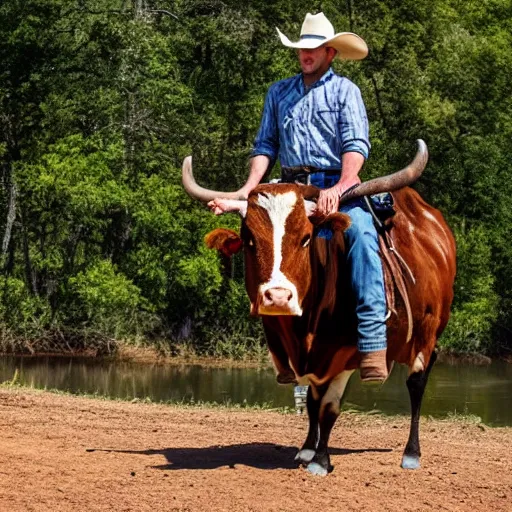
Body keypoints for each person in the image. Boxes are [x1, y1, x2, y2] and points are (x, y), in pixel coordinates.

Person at [209, 12, 388, 383]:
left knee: (362, 238)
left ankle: (373, 342)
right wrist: (246, 193)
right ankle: (282, 353)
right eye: (301, 48)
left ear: (330, 53)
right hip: (286, 191)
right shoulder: (278, 92)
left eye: (314, 48)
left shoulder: (345, 92)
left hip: (337, 186)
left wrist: (339, 188)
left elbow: (356, 148)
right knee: (260, 246)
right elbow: (265, 147)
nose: (306, 54)